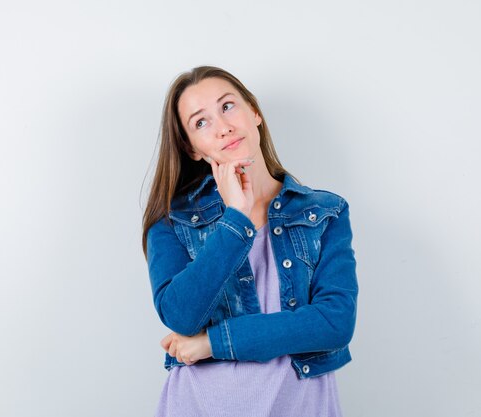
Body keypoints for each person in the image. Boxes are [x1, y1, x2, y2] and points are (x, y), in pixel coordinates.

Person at [142, 66, 358, 417]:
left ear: (254, 112)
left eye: (227, 106)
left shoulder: (325, 212)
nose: (223, 126)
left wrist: (212, 343)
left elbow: (335, 323)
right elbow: (181, 315)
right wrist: (236, 219)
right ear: (192, 148)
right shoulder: (171, 222)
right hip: (200, 405)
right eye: (201, 122)